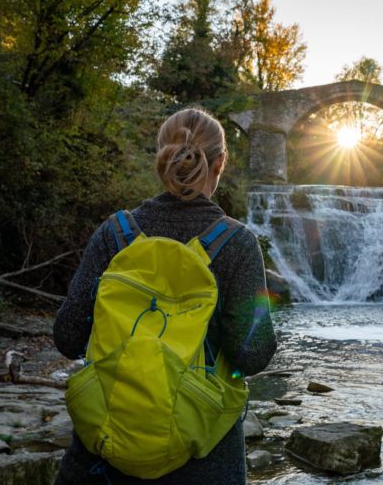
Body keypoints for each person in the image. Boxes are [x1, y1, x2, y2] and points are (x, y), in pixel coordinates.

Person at [53, 107, 277, 484]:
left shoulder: (114, 233)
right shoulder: (238, 243)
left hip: (104, 452)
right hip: (203, 456)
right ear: (220, 162)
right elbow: (250, 355)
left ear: (162, 155)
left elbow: (68, 337)